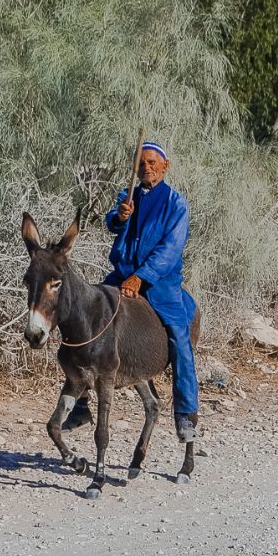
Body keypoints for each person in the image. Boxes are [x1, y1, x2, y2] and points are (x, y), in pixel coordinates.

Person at [61, 141, 200, 442]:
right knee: (84, 318)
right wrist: (120, 217)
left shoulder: (177, 203)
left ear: (165, 166)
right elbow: (113, 221)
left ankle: (185, 413)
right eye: (141, 164)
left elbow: (169, 249)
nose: (146, 168)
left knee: (178, 334)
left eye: (152, 163)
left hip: (160, 282)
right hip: (121, 275)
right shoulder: (129, 196)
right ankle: (81, 402)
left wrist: (142, 277)